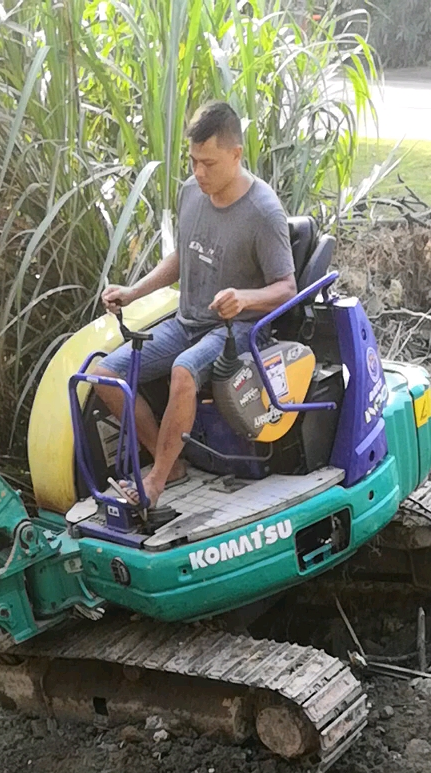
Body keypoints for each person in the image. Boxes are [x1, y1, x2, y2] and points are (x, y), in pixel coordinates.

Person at [95, 100, 297, 510]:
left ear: (236, 155)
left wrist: (244, 298)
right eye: (193, 162)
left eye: (209, 163)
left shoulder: (264, 211)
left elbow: (287, 288)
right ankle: (173, 464)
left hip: (238, 331)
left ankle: (154, 481)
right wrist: (134, 292)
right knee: (104, 375)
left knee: (183, 371)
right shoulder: (191, 192)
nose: (199, 173)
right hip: (188, 322)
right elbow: (182, 258)